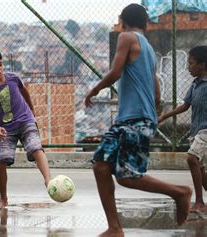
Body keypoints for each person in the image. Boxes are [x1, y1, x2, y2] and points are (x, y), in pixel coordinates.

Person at [84, 4, 192, 236]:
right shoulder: (148, 48)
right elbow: (155, 88)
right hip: (132, 118)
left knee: (128, 177)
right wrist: (154, 112)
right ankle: (114, 228)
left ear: (123, 21)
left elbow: (115, 72)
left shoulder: (126, 37)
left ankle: (179, 192)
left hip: (135, 119)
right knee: (101, 166)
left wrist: (93, 91)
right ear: (146, 23)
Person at [0, 46, 51, 210]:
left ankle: (48, 180)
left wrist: (32, 111)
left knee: (35, 147)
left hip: (25, 120)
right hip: (6, 129)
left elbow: (25, 92)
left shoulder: (13, 78)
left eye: (0, 64)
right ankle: (3, 199)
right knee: (1, 160)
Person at [158, 45, 207, 213]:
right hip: (196, 130)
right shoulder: (195, 84)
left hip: (206, 131)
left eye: (191, 63)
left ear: (202, 64)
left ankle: (199, 202)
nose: (188, 67)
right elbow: (185, 106)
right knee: (201, 172)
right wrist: (164, 116)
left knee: (192, 158)